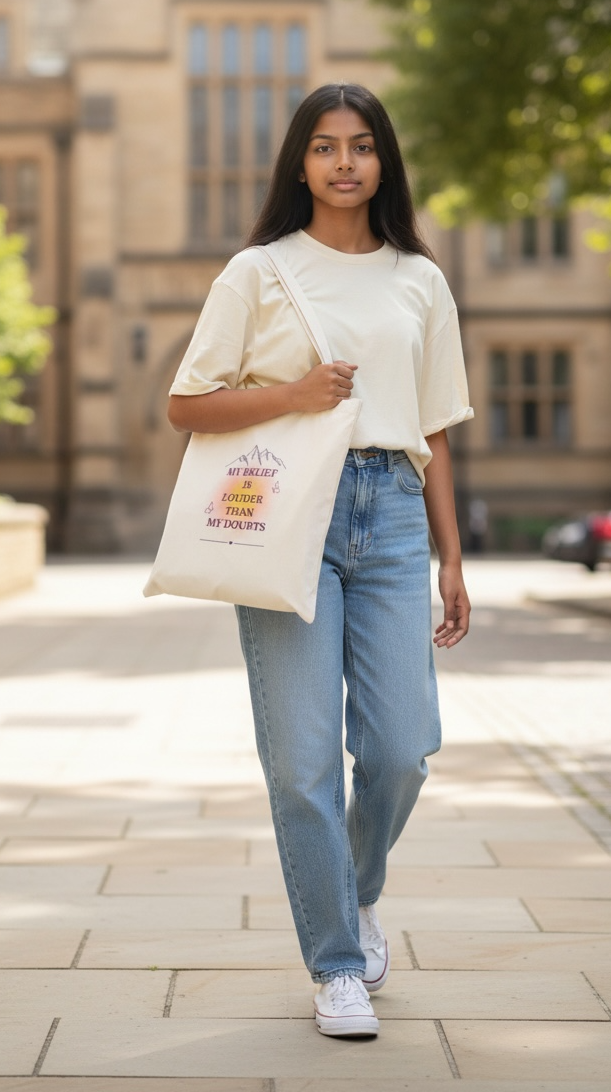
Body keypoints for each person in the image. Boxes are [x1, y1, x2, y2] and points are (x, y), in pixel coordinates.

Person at [168, 82, 473, 1039]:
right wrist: (293, 396)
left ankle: (357, 888)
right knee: (302, 763)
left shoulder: (419, 279)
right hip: (286, 513)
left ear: (384, 161)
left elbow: (434, 428)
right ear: (299, 162)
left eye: (363, 145)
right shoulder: (256, 271)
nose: (345, 163)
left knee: (399, 753)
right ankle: (336, 963)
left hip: (391, 518)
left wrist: (452, 559)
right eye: (326, 147)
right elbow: (187, 404)